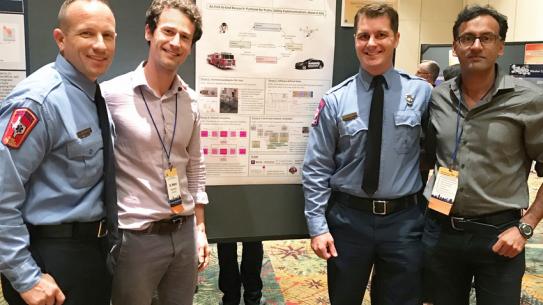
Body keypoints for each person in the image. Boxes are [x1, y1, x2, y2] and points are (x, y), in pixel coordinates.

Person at [302, 3, 431, 305]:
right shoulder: (335, 100)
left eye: (381, 35)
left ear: (396, 38)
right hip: (348, 221)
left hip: (403, 222)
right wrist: (318, 227)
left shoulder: (422, 93)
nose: (371, 44)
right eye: (363, 36)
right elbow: (316, 168)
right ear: (355, 40)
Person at [422, 5, 543, 305]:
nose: (476, 45)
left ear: (500, 46)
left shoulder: (528, 101)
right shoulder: (438, 98)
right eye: (467, 38)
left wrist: (526, 226)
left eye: (486, 38)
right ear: (455, 46)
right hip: (442, 232)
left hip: (501, 235)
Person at [0, 0, 118, 305]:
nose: (100, 45)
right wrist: (26, 277)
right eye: (87, 33)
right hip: (50, 260)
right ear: (60, 39)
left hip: (92, 253)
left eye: (109, 35)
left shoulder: (91, 94)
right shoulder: (38, 101)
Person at [100, 1, 210, 304]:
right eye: (168, 31)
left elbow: (195, 167)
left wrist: (200, 229)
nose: (176, 43)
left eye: (185, 37)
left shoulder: (191, 101)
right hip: (136, 236)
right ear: (150, 32)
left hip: (184, 230)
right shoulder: (111, 95)